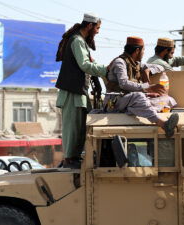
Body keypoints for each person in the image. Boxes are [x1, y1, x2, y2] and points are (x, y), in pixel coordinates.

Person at [55, 13, 108, 169]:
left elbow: (90, 63)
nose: (98, 31)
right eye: (97, 28)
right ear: (90, 26)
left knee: (80, 128)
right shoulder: (77, 41)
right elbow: (85, 65)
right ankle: (70, 159)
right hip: (72, 93)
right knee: (72, 128)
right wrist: (106, 70)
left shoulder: (82, 42)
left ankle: (74, 158)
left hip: (79, 92)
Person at [104, 36, 179, 137]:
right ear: (137, 50)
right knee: (139, 96)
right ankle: (164, 125)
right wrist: (147, 87)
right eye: (143, 50)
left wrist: (149, 70)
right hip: (115, 101)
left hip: (128, 100)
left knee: (166, 99)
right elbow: (124, 83)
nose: (144, 53)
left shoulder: (136, 64)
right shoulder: (120, 62)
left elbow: (160, 66)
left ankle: (136, 109)